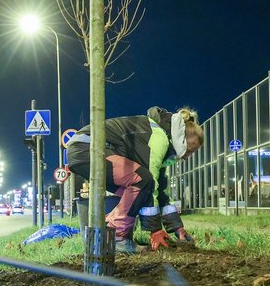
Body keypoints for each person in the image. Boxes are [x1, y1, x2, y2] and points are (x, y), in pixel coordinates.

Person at [66, 106, 203, 254]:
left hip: (84, 149)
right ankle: (117, 236)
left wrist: (177, 228)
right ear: (181, 138)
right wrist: (155, 230)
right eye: (189, 150)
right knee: (142, 181)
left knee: (141, 188)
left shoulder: (162, 138)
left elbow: (160, 191)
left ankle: (108, 230)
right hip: (88, 148)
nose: (187, 157)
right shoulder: (158, 138)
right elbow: (149, 184)